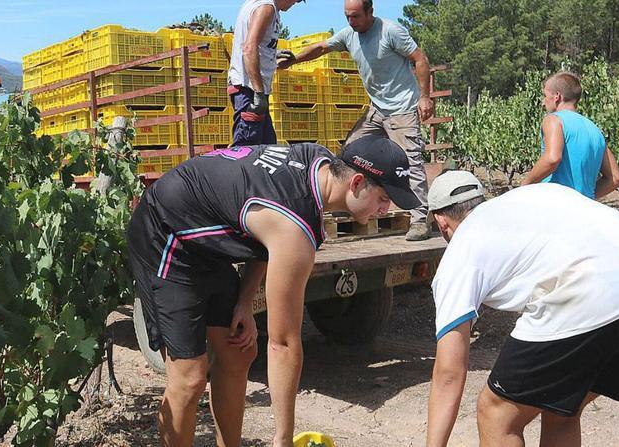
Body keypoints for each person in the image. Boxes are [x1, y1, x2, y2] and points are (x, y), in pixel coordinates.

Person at [126, 136, 420, 447]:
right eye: (384, 198)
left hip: (204, 238)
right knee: (189, 378)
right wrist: (283, 438)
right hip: (165, 233)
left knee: (239, 352)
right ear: (357, 182)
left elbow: (264, 234)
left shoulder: (318, 164)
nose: (385, 209)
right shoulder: (294, 227)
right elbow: (283, 343)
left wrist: (245, 299)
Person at [425, 171, 619, 447]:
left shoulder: (460, 252)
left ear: (441, 221)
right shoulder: (523, 200)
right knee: (560, 408)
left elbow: (449, 373)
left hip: (592, 290)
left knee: (497, 413)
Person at [280, 0, 434, 241]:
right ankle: (345, 203)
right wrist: (293, 60)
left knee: (410, 163)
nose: (351, 22)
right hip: (376, 109)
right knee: (350, 151)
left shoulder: (390, 31)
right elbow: (321, 47)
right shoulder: (349, 34)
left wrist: (425, 97)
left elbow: (420, 58)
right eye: (347, 16)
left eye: (356, 16)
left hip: (402, 109)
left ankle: (419, 220)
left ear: (370, 12)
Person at [228, 0, 309, 147]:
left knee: (267, 150)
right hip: (248, 89)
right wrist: (258, 93)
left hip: (253, 89)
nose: (295, 3)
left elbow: (255, 42)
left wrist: (273, 53)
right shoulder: (266, 7)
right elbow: (249, 47)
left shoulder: (258, 0)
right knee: (247, 152)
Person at [520, 71, 619, 199]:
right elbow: (615, 178)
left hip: (556, 205)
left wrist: (524, 186)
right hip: (584, 211)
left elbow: (552, 159)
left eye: (545, 95)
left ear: (557, 96)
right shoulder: (595, 130)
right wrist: (585, 199)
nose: (543, 102)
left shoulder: (553, 120)